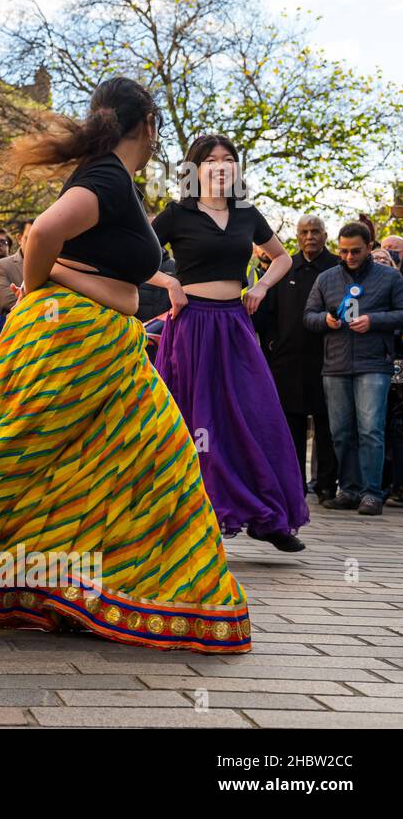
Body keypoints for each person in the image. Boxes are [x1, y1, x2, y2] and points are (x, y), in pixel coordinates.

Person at [0, 77, 251, 653]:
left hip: (105, 346)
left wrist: (61, 278)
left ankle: (100, 592)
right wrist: (41, 283)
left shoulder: (115, 182)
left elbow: (97, 274)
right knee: (5, 462)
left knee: (147, 460)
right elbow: (40, 232)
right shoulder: (106, 178)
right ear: (148, 124)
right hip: (67, 342)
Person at [150, 134, 308, 551]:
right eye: (211, 160)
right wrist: (169, 281)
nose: (221, 166)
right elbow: (132, 257)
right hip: (192, 328)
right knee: (198, 422)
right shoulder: (177, 214)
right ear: (194, 169)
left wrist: (260, 288)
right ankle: (199, 516)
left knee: (255, 414)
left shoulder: (247, 214)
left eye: (228, 160)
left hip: (235, 326)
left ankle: (267, 516)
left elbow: (282, 257)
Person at [304, 221, 403, 517]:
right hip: (335, 364)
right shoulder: (325, 278)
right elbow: (308, 316)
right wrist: (326, 321)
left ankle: (372, 493)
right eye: (344, 251)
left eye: (356, 251)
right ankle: (348, 489)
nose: (349, 257)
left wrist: (374, 321)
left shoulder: (390, 278)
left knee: (371, 430)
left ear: (370, 246)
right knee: (341, 432)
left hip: (374, 363)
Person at [257, 216, 339, 503]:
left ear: (325, 234)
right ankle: (294, 486)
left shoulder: (336, 269)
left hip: (327, 359)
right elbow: (266, 314)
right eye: (304, 232)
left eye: (315, 231)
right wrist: (270, 346)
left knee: (326, 425)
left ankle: (327, 486)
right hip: (286, 361)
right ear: (297, 235)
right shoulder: (285, 267)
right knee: (291, 427)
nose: (310, 237)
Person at [0, 221, 32, 314]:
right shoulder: (3, 265)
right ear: (19, 238)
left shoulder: (54, 265)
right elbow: (6, 300)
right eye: (30, 238)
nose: (35, 242)